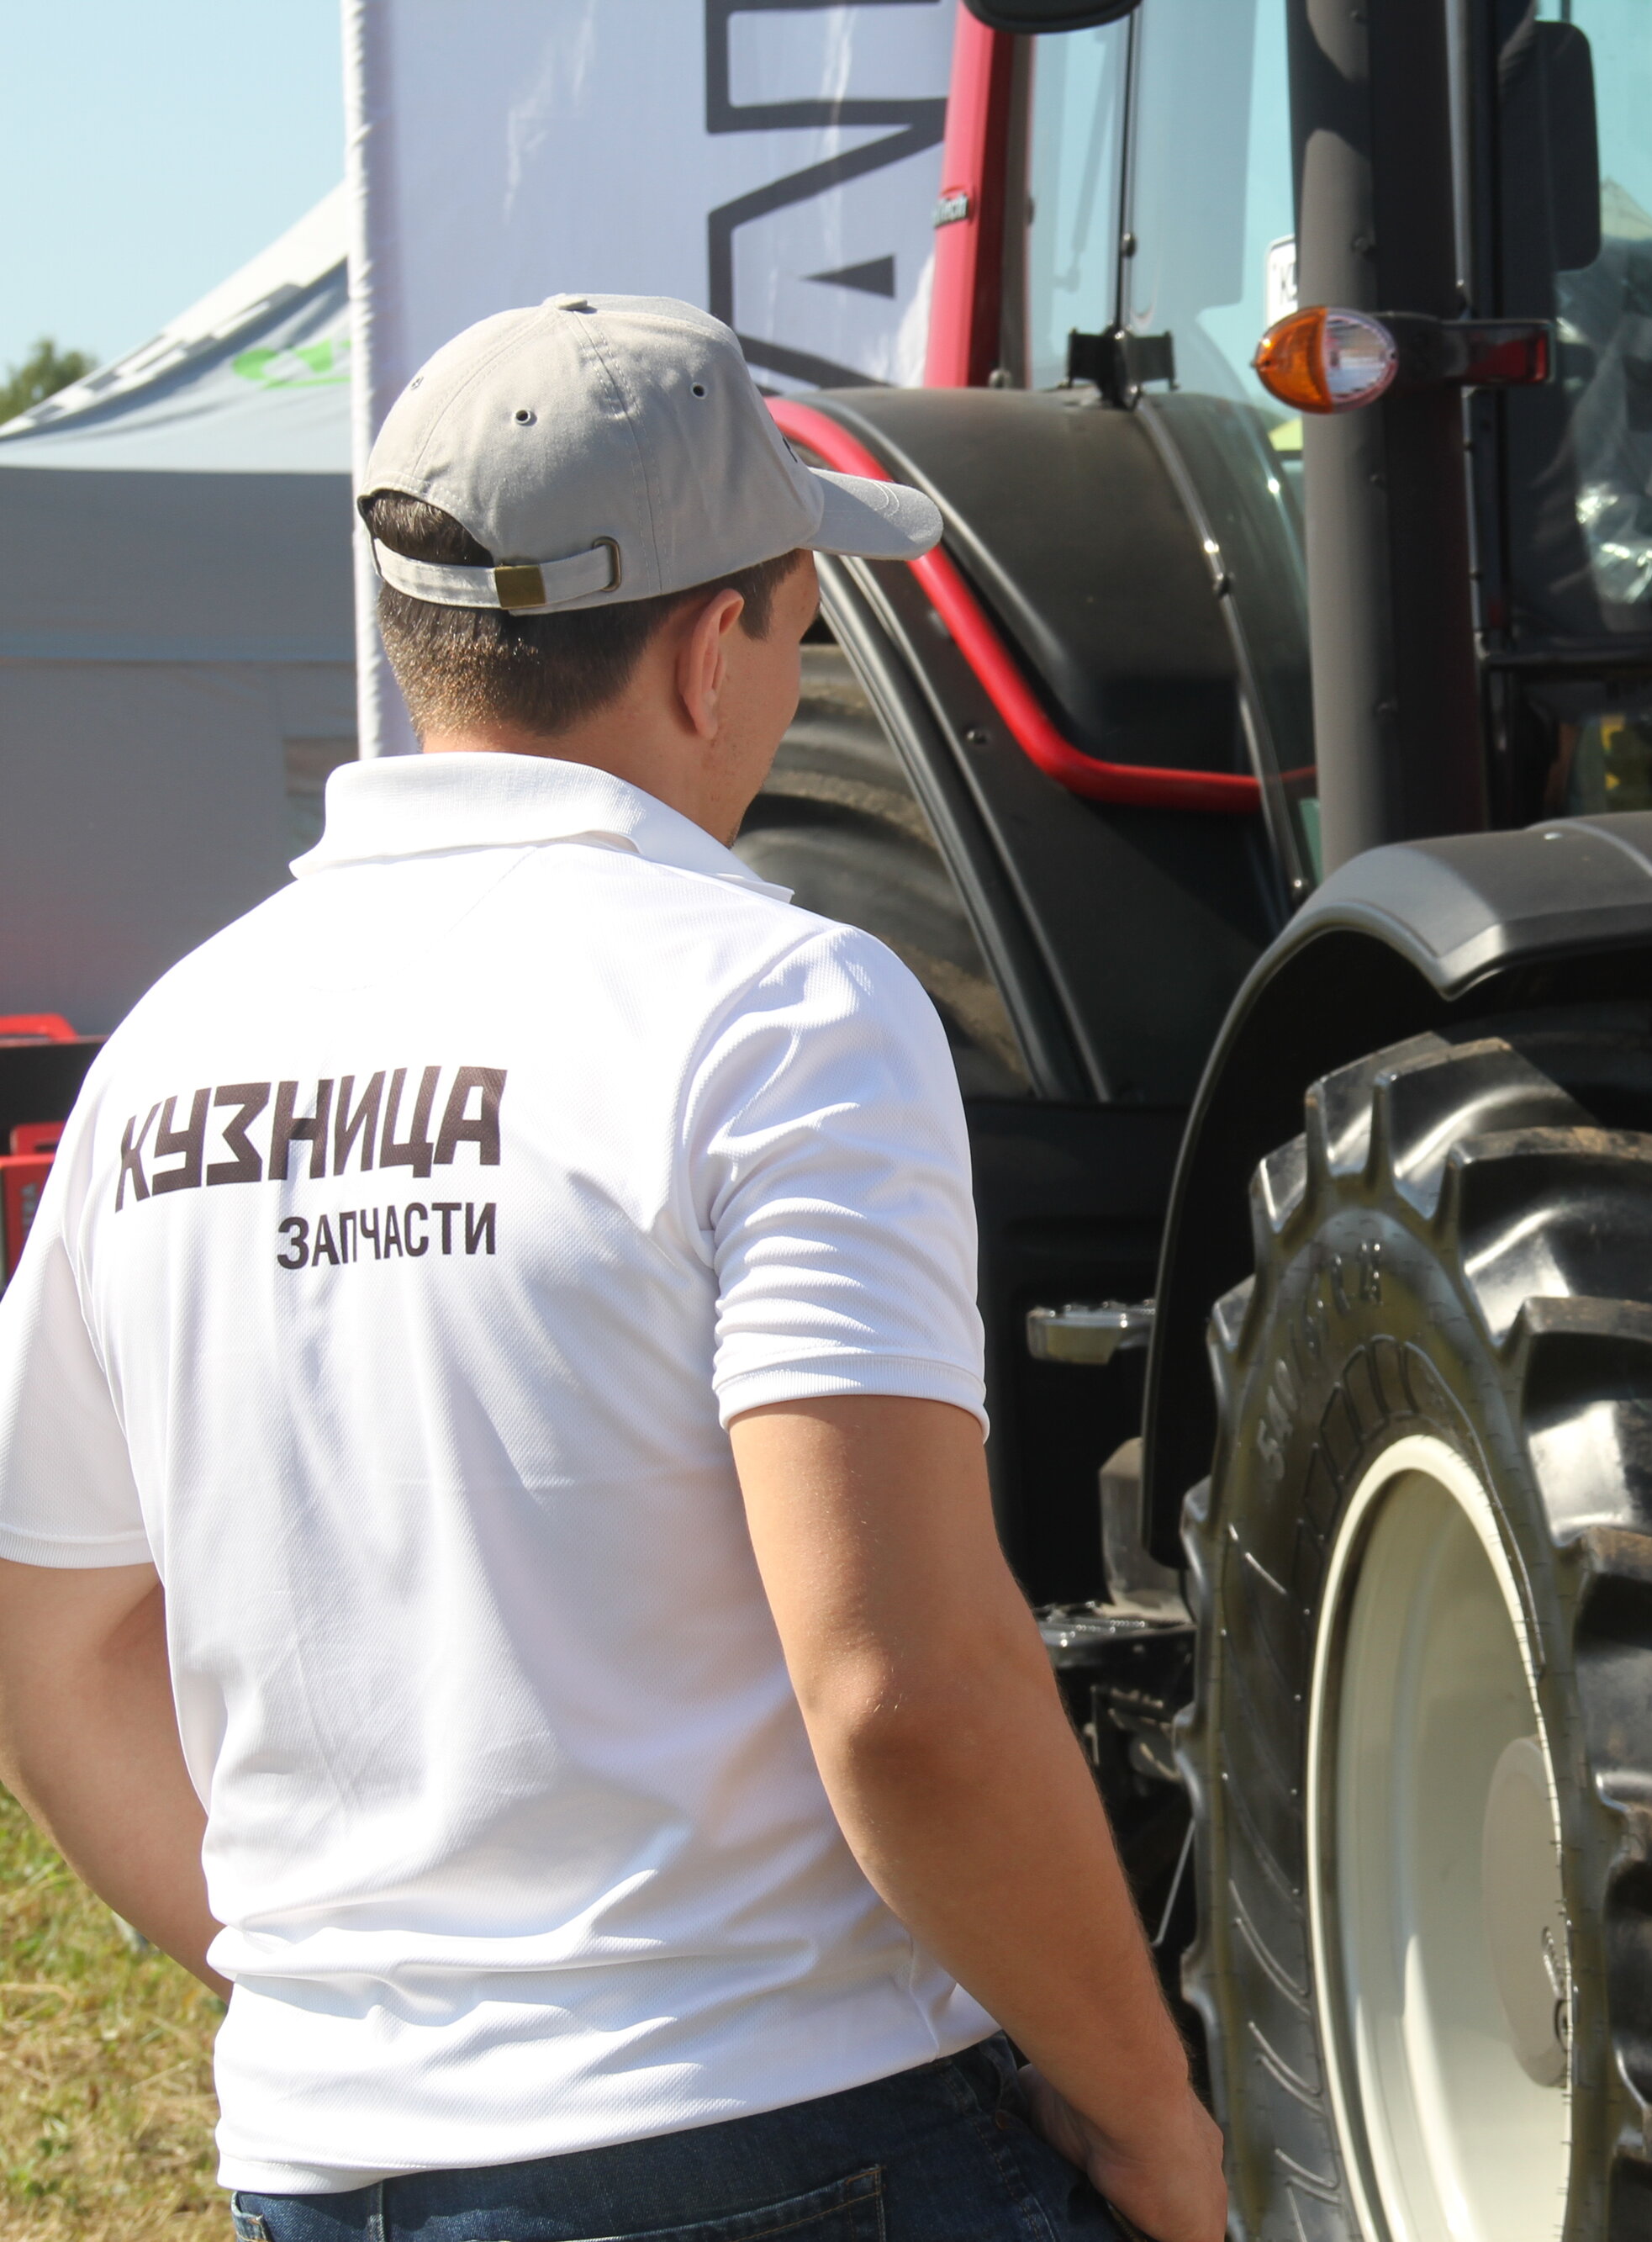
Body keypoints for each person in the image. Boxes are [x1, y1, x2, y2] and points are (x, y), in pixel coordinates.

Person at [0, 295, 1225, 2242]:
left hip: (327, 2165)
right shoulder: (781, 1008)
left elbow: (55, 1650)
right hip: (780, 2129)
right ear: (708, 642)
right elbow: (901, 1687)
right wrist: (1151, 2110)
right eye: (803, 612)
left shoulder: (174, 1043)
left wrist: (350, 2009)